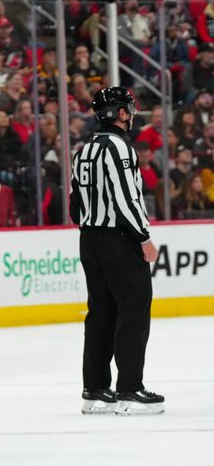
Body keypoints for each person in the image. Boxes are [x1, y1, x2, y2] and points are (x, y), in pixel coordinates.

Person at [69, 86, 164, 416]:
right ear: (120, 113)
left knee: (100, 312)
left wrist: (90, 230)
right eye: (128, 108)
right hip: (119, 240)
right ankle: (129, 389)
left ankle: (94, 389)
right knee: (134, 310)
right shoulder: (119, 148)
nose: (132, 112)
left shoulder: (84, 149)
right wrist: (143, 238)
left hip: (89, 239)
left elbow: (74, 200)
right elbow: (127, 198)